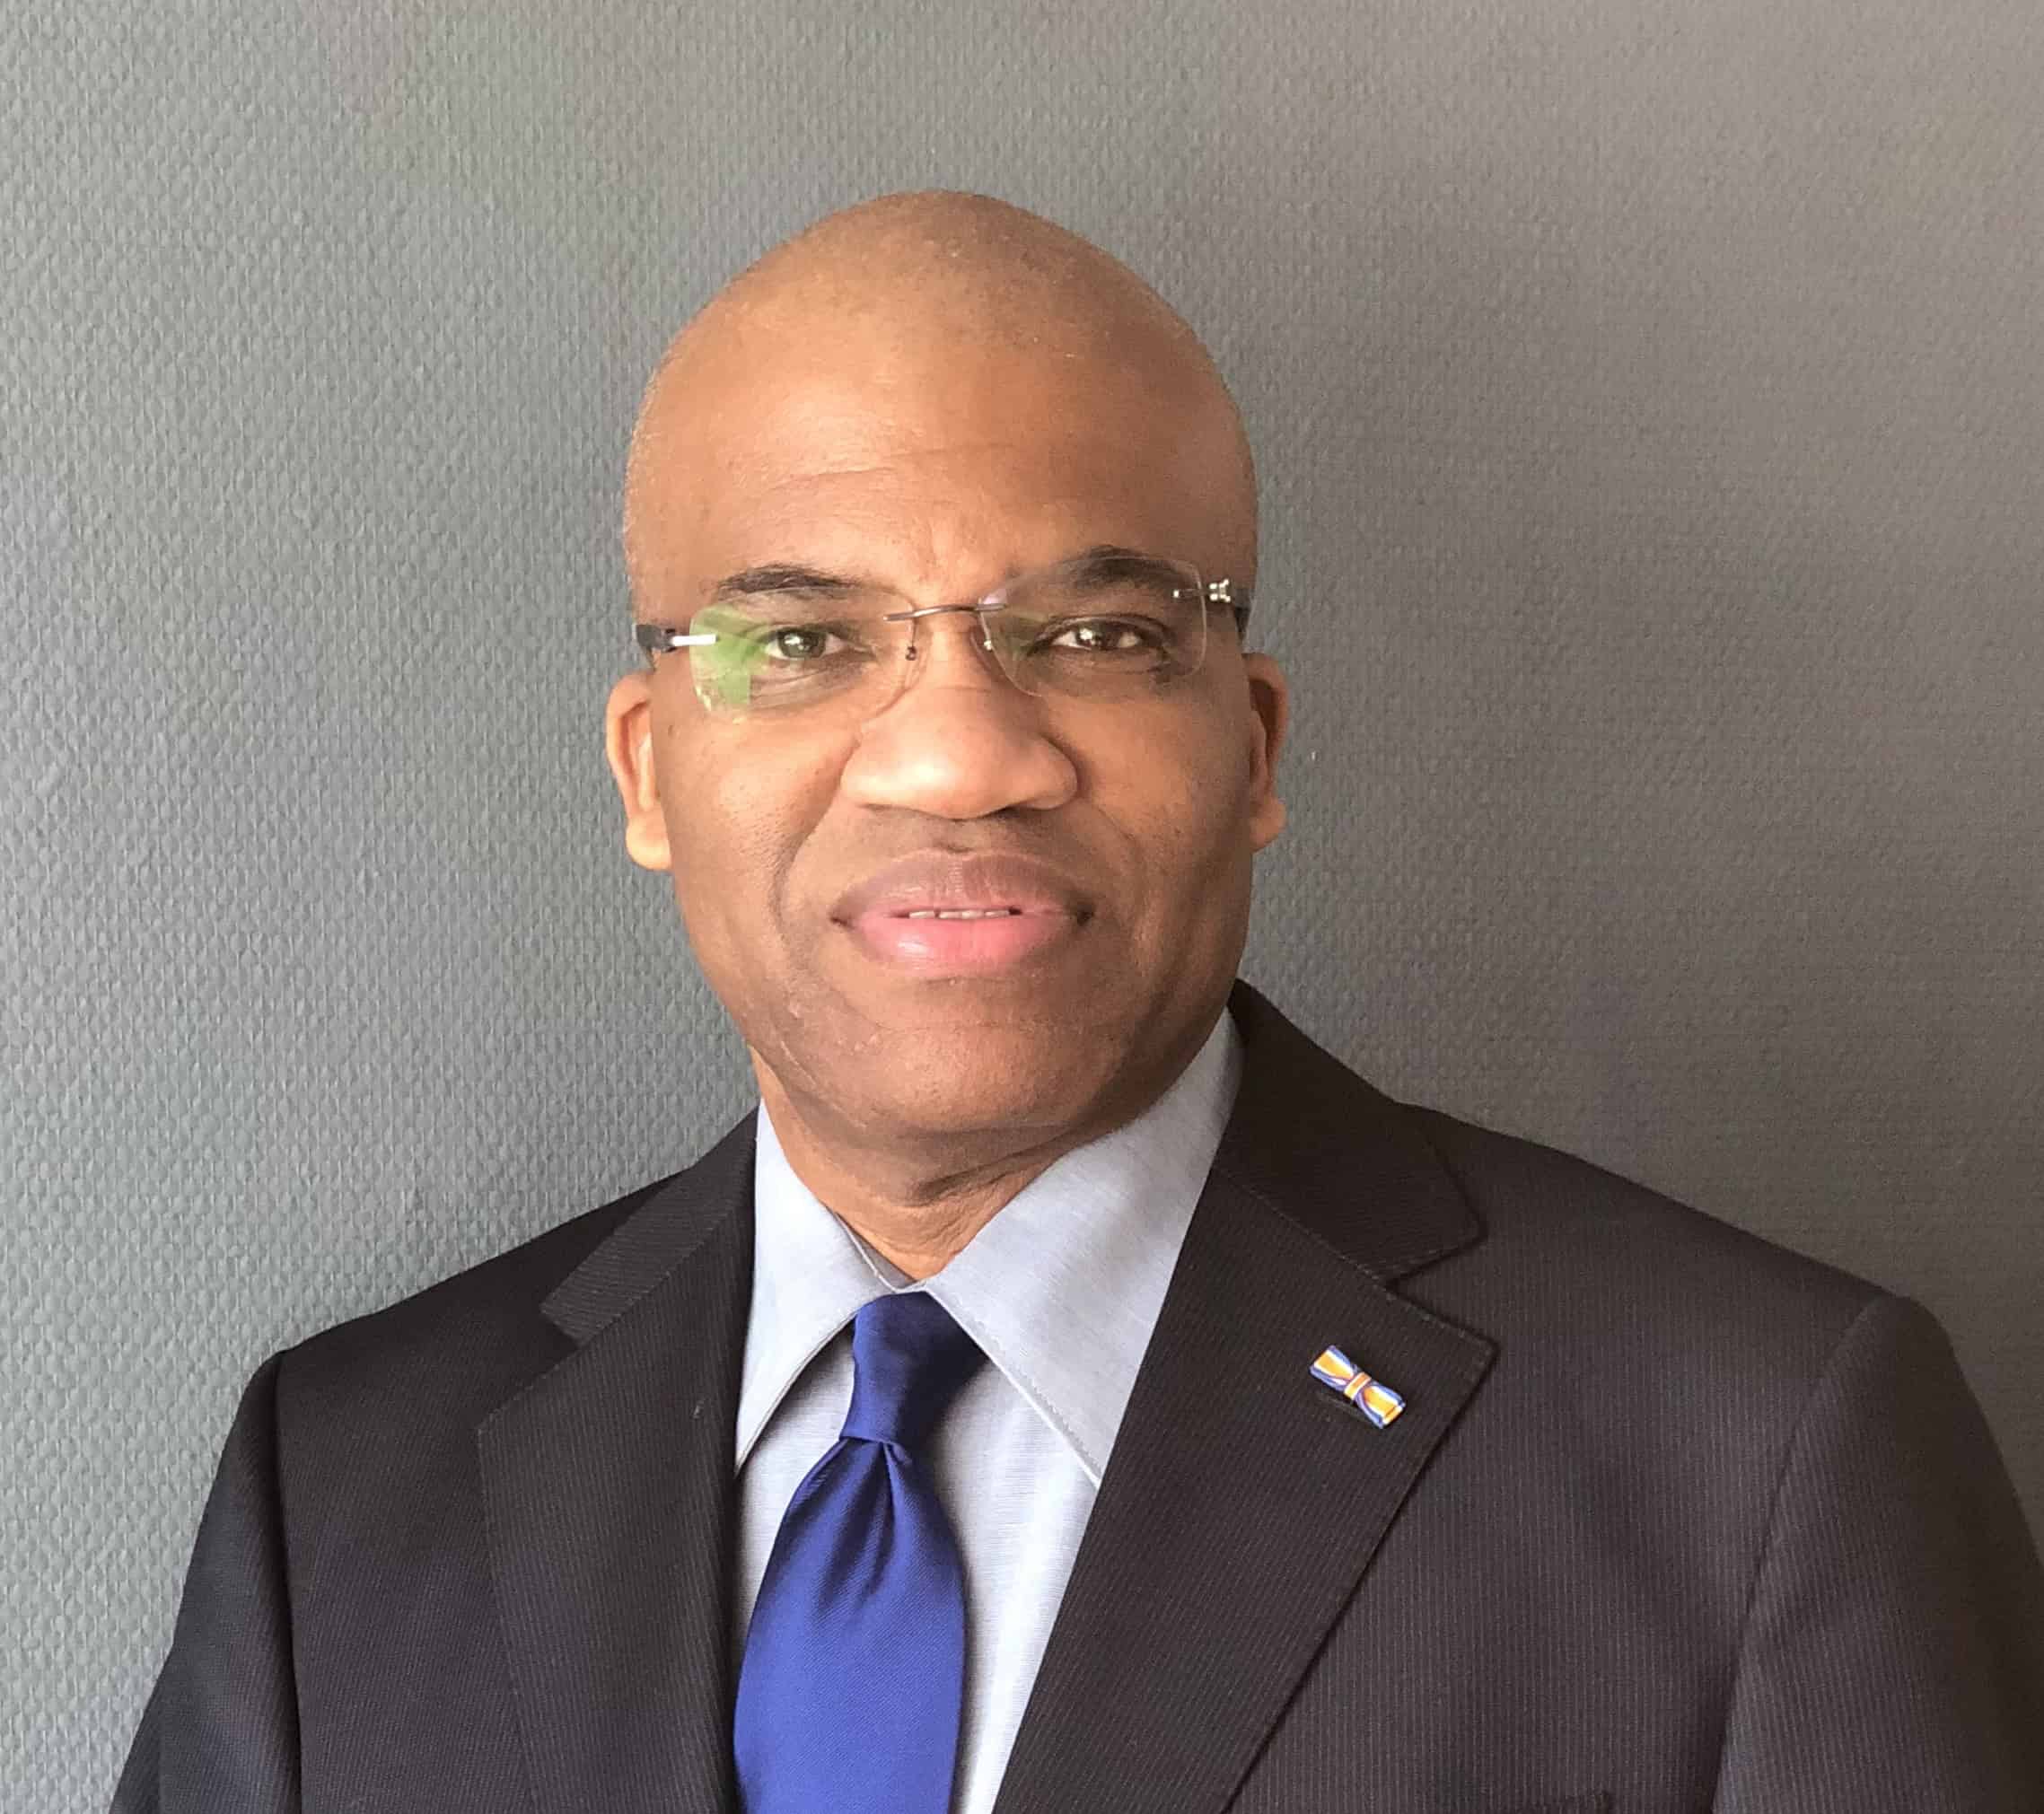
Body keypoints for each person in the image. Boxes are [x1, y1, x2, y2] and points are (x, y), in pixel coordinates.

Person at [114, 190, 2042, 1814]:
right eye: (801, 641)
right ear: (644, 771)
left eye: (1096, 634)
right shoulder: (338, 1484)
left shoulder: (1761, 1454)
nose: (956, 757)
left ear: (1251, 742)